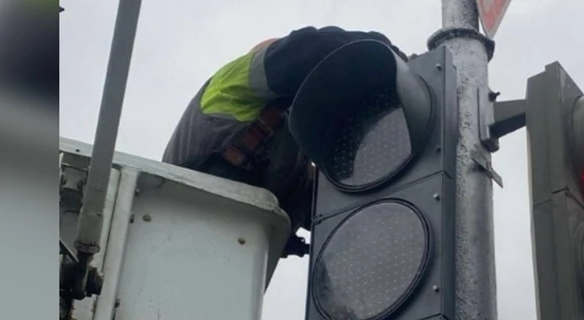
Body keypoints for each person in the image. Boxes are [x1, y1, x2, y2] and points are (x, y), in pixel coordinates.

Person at [162, 27, 407, 258]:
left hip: (224, 263)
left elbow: (341, 201)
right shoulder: (228, 82)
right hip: (182, 233)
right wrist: (388, 56)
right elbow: (306, 49)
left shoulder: (291, 155)